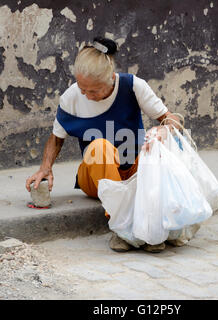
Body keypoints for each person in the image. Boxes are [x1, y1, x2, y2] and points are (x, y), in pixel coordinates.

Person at [26, 37, 181, 253]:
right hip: (96, 179)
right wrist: (45, 168)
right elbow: (56, 137)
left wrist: (163, 129)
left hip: (134, 173)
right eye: (82, 88)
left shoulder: (133, 86)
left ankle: (160, 226)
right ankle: (122, 228)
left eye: (94, 90)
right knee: (100, 146)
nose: (87, 95)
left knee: (157, 146)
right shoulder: (71, 98)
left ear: (110, 77)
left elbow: (172, 120)